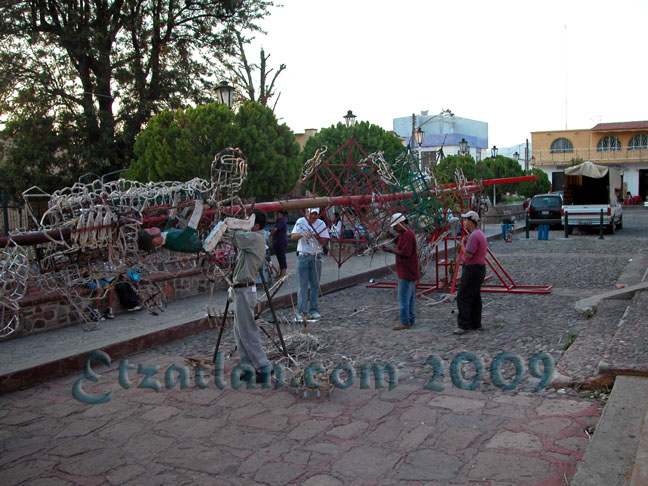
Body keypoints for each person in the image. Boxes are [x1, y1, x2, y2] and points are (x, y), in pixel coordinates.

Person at [229, 211, 274, 383]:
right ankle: (248, 367)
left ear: (256, 226)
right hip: (241, 289)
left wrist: (229, 224)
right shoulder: (254, 237)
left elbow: (235, 237)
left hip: (245, 289)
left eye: (249, 221)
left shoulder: (255, 238)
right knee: (240, 332)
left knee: (248, 331)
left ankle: (263, 366)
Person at [291, 208, 330, 320]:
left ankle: (314, 309)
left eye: (315, 214)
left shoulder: (321, 224)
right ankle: (300, 311)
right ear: (307, 212)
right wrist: (302, 234)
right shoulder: (300, 221)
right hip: (303, 255)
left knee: (315, 284)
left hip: (316, 256)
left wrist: (317, 236)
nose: (313, 216)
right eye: (311, 213)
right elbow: (293, 236)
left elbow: (324, 241)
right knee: (302, 285)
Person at [383, 213, 419, 330]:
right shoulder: (405, 233)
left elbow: (405, 252)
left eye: (395, 226)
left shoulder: (407, 234)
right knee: (410, 298)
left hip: (406, 271)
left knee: (403, 298)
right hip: (409, 270)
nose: (394, 229)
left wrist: (390, 250)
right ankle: (410, 319)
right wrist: (392, 239)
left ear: (402, 223)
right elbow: (399, 242)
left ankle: (404, 321)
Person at [454, 210, 487, 335]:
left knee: (463, 296)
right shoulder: (479, 233)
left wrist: (462, 243)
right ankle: (476, 323)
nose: (464, 222)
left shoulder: (474, 236)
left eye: (465, 220)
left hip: (472, 269)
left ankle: (464, 325)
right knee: (475, 296)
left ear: (471, 222)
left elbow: (468, 254)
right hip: (479, 268)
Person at [138, 198, 204, 253]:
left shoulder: (163, 234)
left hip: (191, 234)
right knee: (191, 210)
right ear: (155, 240)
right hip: (199, 242)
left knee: (188, 209)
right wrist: (199, 205)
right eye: (151, 231)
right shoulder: (174, 243)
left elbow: (171, 219)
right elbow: (191, 227)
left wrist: (175, 199)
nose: (153, 227)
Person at [269, 210, 288, 278]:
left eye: (278, 213)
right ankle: (281, 273)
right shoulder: (279, 221)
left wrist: (270, 235)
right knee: (280, 257)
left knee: (281, 257)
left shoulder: (281, 221)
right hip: (278, 241)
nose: (276, 215)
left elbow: (275, 229)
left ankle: (283, 274)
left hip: (280, 241)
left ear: (282, 214)